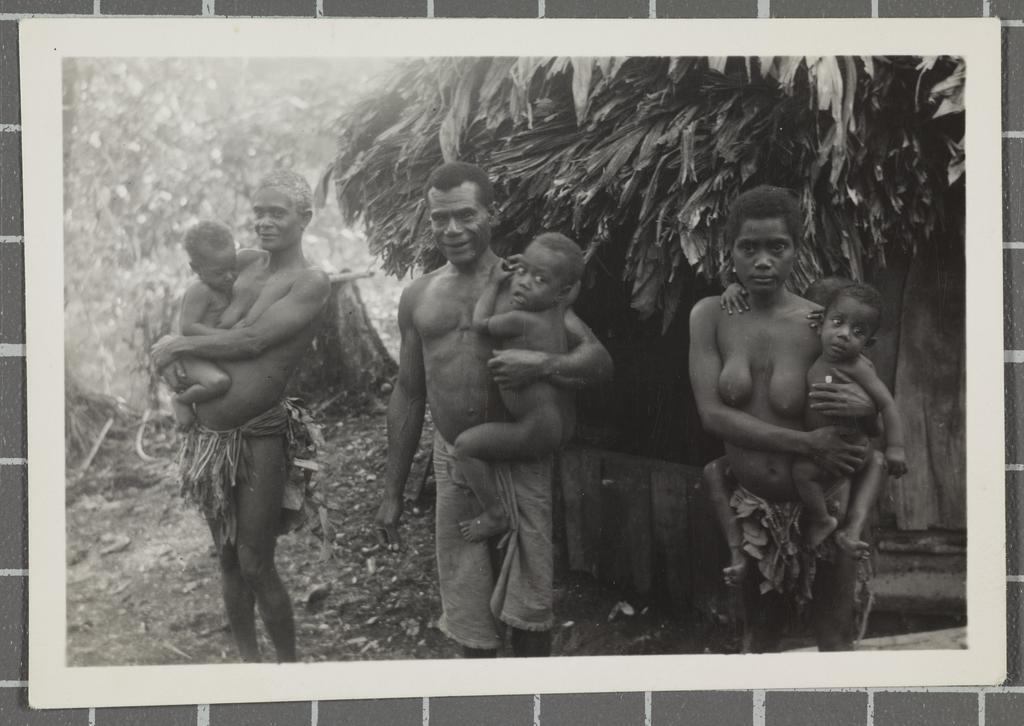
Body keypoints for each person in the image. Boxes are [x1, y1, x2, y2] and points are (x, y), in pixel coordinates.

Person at [374, 161, 612, 658]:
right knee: (468, 613)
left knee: (529, 606)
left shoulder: (526, 284)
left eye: (465, 214)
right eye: (440, 218)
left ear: (491, 214)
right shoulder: (418, 295)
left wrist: (543, 363)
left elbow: (597, 361)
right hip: (456, 461)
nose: (452, 229)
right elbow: (409, 392)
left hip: (518, 452)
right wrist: (392, 489)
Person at [689, 185, 884, 652]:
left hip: (825, 506)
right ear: (729, 250)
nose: (762, 261)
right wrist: (805, 445)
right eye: (748, 248)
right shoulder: (711, 316)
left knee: (834, 640)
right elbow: (712, 416)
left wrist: (869, 408)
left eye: (777, 247)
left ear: (796, 250)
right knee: (759, 638)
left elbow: (868, 414)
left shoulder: (821, 324)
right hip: (755, 509)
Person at [150, 170, 331, 663]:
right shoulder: (242, 264)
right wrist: (178, 368)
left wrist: (179, 344)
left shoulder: (310, 281)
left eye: (278, 213)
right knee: (228, 557)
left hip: (259, 435)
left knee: (255, 560)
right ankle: (250, 668)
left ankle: (288, 675)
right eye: (259, 212)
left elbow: (253, 341)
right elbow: (198, 309)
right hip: (211, 438)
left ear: (304, 218)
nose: (264, 222)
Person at [452, 232, 584, 542]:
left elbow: (480, 324)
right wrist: (547, 280)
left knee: (465, 447)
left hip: (535, 426)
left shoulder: (523, 320)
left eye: (539, 279)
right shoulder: (556, 308)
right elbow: (571, 286)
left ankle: (496, 514)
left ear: (559, 290)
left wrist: (494, 283)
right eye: (522, 270)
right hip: (557, 421)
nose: (523, 282)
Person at [792, 282, 907, 547]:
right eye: (838, 323)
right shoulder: (822, 358)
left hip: (848, 447)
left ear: (869, 342)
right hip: (828, 446)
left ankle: (824, 520)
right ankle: (846, 531)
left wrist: (896, 447)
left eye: (857, 332)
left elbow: (887, 404)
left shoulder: (857, 367)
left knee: (802, 472)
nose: (844, 335)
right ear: (819, 324)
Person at [159, 220, 262, 428]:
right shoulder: (200, 291)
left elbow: (263, 257)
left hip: (210, 351)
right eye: (219, 272)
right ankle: (181, 400)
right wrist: (222, 336)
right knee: (218, 382)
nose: (229, 276)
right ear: (195, 268)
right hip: (194, 355)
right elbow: (188, 327)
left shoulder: (224, 284)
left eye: (232, 267)